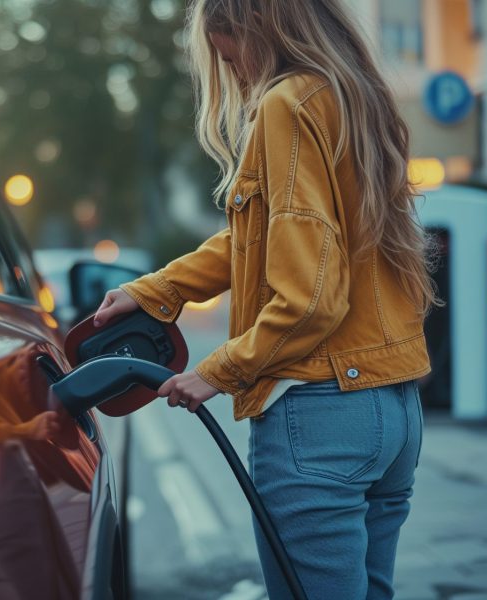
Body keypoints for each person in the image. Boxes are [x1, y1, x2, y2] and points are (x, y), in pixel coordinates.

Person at [93, 0, 436, 598]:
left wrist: (216, 372)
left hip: (319, 412)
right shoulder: (355, 96)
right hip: (394, 410)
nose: (238, 76)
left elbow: (310, 300)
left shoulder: (287, 104)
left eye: (231, 57)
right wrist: (154, 291)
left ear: (260, 30)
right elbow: (258, 236)